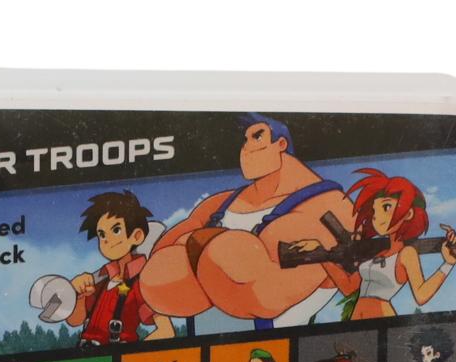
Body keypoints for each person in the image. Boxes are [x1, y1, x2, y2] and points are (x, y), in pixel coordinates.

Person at [140, 114, 354, 329]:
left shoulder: (329, 207)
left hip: (271, 342)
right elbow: (157, 272)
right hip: (205, 341)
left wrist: (205, 251)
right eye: (245, 140)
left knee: (223, 253)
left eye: (257, 137)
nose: (246, 148)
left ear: (281, 144)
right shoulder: (219, 204)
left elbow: (261, 295)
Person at [290, 168, 456, 320]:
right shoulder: (376, 254)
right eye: (375, 210)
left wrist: (448, 264)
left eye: (386, 207)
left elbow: (421, 295)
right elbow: (349, 288)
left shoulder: (406, 253)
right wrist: (321, 253)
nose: (376, 216)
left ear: (408, 214)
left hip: (383, 321)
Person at [37, 190, 175, 345]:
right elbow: (75, 321)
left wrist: (131, 355)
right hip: (87, 350)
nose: (106, 240)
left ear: (137, 236)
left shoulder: (141, 283)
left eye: (116, 230)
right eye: (102, 234)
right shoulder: (102, 279)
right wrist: (79, 296)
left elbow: (166, 331)